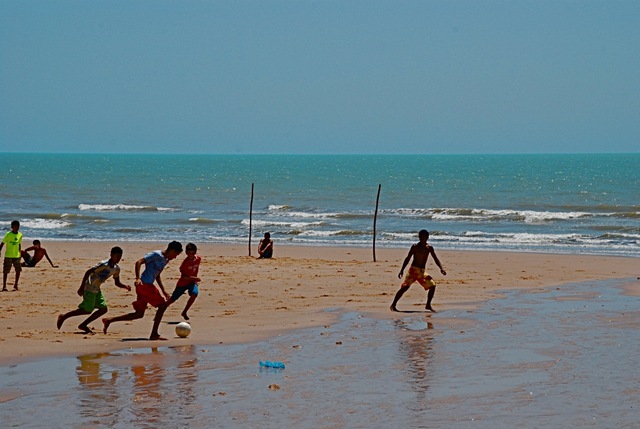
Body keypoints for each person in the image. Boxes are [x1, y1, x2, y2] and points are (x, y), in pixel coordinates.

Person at [102, 241, 183, 340]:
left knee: (139, 314)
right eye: (176, 254)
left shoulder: (165, 260)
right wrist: (137, 278)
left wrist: (163, 290)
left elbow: (157, 275)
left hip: (144, 286)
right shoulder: (156, 254)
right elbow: (139, 262)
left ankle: (109, 320)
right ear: (172, 250)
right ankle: (154, 334)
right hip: (144, 285)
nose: (175, 257)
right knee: (162, 306)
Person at [57, 246, 131, 334]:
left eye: (120, 257)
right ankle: (64, 316)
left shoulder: (116, 269)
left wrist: (125, 286)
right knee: (87, 310)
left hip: (97, 289)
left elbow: (117, 282)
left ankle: (83, 325)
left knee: (103, 309)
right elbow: (88, 272)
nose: (118, 258)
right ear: (111, 255)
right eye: (116, 256)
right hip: (89, 287)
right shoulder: (103, 264)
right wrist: (81, 287)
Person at [390, 229, 446, 312]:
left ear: (427, 237)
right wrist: (402, 270)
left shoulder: (429, 248)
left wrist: (441, 268)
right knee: (404, 287)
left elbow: (435, 258)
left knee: (432, 285)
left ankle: (428, 305)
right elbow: (408, 258)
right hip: (413, 271)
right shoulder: (415, 246)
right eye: (420, 237)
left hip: (422, 272)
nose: (422, 239)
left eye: (424, 237)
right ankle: (393, 305)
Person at [167, 242, 201, 321]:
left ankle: (184, 312)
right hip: (182, 284)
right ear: (186, 253)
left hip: (192, 283)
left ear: (195, 252)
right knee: (172, 300)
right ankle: (161, 310)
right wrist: (194, 278)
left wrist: (194, 280)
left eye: (193, 253)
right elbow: (184, 277)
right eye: (189, 253)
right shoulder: (185, 263)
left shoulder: (198, 259)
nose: (191, 254)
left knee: (194, 294)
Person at [1, 220, 23, 291]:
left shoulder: (20, 235)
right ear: (12, 227)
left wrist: (20, 254)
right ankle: (4, 286)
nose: (17, 228)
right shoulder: (8, 234)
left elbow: (19, 245)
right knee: (6, 271)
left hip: (16, 256)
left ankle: (15, 285)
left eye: (18, 227)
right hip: (8, 255)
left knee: (18, 270)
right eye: (15, 227)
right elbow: (2, 243)